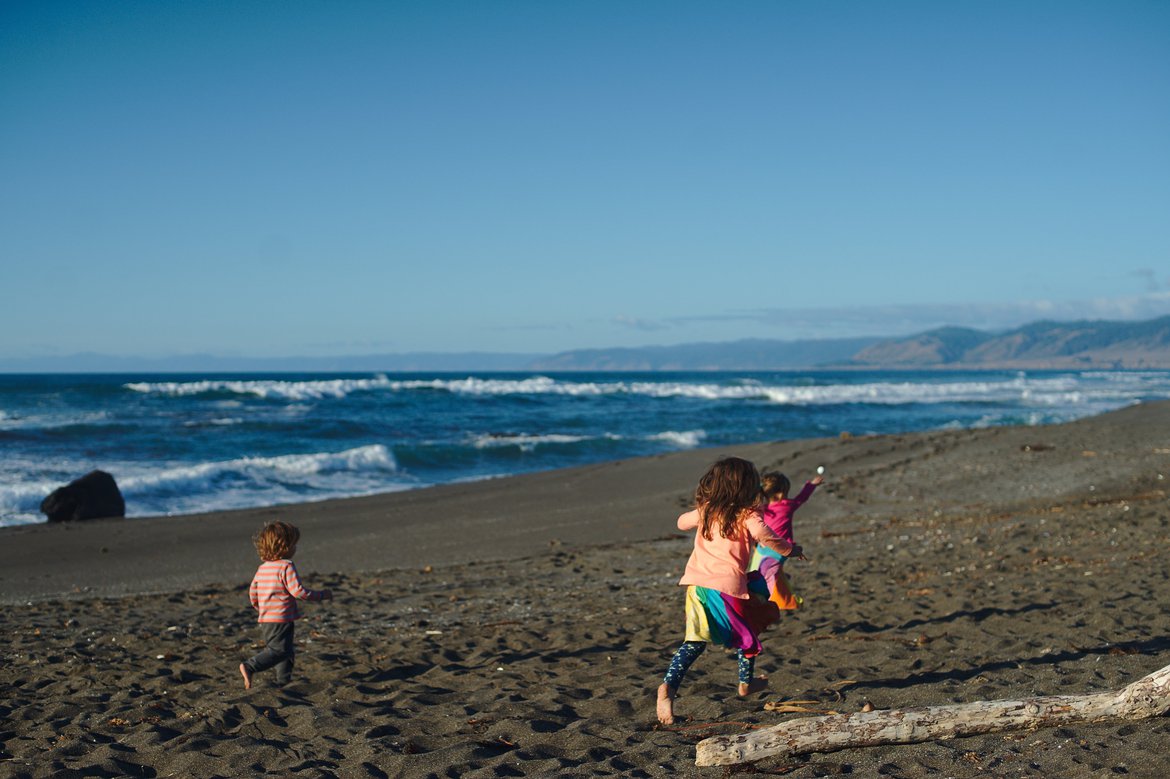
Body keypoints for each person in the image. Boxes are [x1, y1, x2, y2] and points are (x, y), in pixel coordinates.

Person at [656, 457, 804, 726]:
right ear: (747, 486)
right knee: (747, 631)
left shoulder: (707, 510)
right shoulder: (748, 515)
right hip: (728, 590)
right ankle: (745, 684)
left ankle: (668, 688)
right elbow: (767, 536)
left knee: (694, 643)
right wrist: (791, 550)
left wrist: (702, 510)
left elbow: (680, 522)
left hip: (697, 588)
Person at [239, 521, 332, 689]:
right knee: (279, 650)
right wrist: (321, 595)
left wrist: (259, 608)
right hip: (281, 617)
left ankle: (283, 680)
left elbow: (253, 591)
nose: (296, 548)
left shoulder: (262, 568)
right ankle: (250, 666)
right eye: (294, 544)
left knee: (285, 649)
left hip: (267, 617)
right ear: (284, 546)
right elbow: (298, 592)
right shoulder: (286, 566)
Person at [749, 470, 822, 610]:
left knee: (757, 573)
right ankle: (776, 589)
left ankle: (775, 585)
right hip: (779, 551)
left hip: (762, 548)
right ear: (782, 494)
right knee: (765, 576)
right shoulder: (786, 506)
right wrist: (812, 485)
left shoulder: (762, 509)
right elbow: (802, 497)